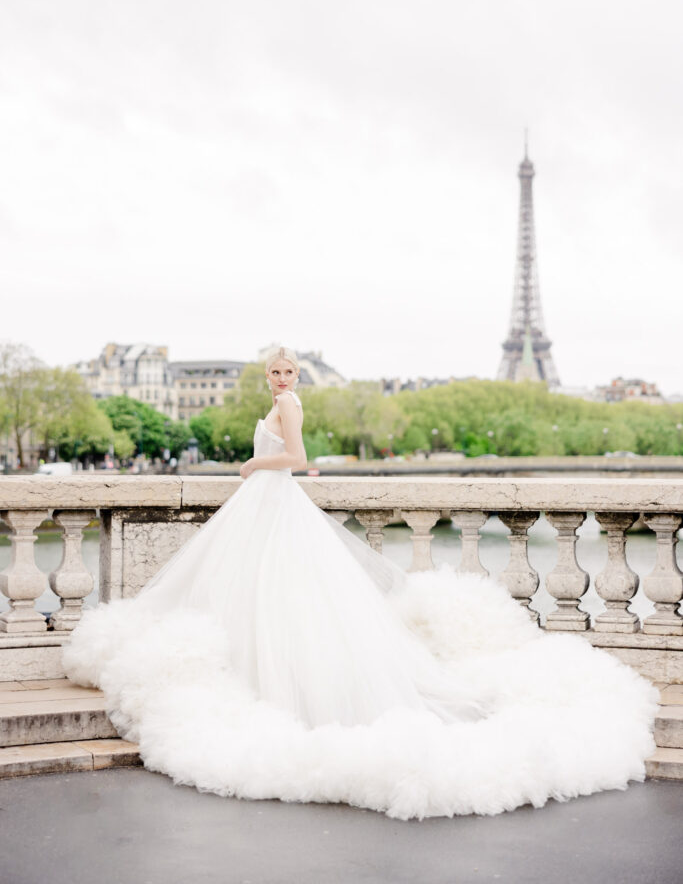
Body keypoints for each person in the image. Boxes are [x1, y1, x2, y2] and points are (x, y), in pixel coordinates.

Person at [62, 346, 657, 820]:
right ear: (266, 374)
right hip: (266, 506)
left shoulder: (289, 404)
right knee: (271, 596)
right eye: (275, 370)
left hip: (272, 498)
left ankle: (273, 687)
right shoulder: (281, 398)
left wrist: (252, 464)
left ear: (296, 376)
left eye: (288, 371)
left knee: (271, 594)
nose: (281, 378)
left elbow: (296, 458)